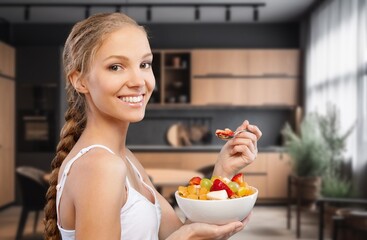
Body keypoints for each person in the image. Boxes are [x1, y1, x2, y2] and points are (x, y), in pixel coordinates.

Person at [44, 12, 262, 240]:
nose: (139, 81)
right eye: (116, 67)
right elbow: (180, 237)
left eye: (144, 64)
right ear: (80, 81)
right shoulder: (100, 166)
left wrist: (223, 171)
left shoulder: (124, 158)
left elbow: (181, 232)